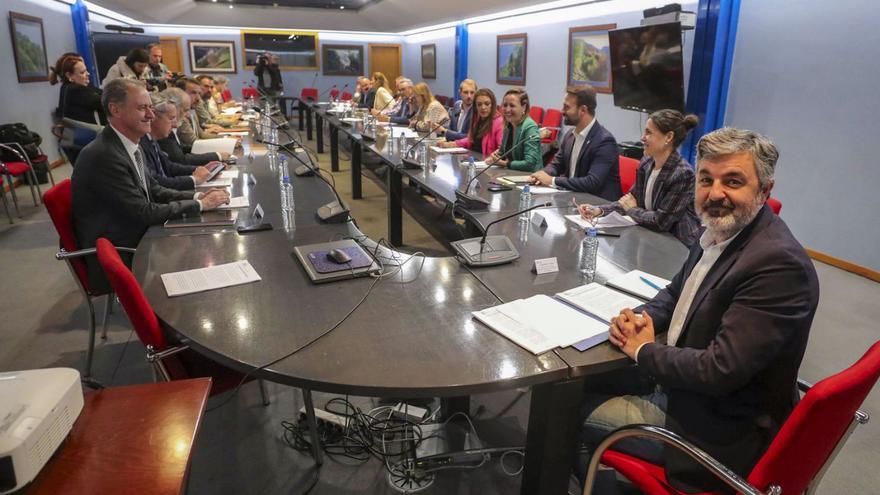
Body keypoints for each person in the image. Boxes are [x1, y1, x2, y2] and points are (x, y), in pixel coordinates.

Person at [578, 127, 820, 493]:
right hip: (685, 389)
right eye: (706, 179)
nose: (715, 193)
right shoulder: (720, 232)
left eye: (733, 181)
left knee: (565, 409)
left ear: (765, 190)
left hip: (714, 431)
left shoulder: (778, 266)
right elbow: (676, 292)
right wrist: (640, 318)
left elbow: (718, 370)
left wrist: (643, 350)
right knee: (578, 383)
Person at [72, 79, 229, 292]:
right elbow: (143, 211)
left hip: (138, 233)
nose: (151, 115)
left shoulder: (127, 144)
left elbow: (153, 189)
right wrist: (200, 206)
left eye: (150, 108)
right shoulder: (104, 155)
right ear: (115, 109)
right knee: (207, 253)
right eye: (142, 108)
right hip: (123, 251)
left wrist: (196, 199)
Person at [578, 109, 702, 246]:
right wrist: (598, 210)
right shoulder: (646, 163)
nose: (642, 138)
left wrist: (632, 210)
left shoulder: (683, 174)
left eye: (648, 133)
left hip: (676, 244)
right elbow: (628, 201)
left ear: (668, 137)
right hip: (648, 237)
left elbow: (661, 222)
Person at [529, 86, 620, 199]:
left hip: (597, 205)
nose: (562, 111)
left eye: (566, 107)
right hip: (572, 199)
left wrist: (552, 180)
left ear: (582, 110)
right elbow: (556, 165)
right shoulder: (570, 135)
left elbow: (592, 182)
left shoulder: (605, 141)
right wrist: (542, 174)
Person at [140, 92, 213, 191]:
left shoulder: (151, 139)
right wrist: (194, 180)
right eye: (171, 118)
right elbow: (157, 183)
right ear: (153, 117)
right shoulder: (140, 143)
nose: (175, 125)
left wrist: (200, 169)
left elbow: (168, 166)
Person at [158, 87, 229, 166]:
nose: (188, 115)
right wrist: (216, 155)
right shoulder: (163, 129)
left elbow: (183, 150)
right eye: (185, 110)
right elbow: (180, 159)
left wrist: (222, 147)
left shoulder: (175, 122)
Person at [486, 88, 541, 172]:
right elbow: (502, 152)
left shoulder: (530, 127)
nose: (507, 110)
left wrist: (505, 164)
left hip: (529, 177)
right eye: (505, 105)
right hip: (511, 175)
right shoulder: (508, 125)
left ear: (524, 107)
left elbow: (530, 164)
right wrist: (495, 157)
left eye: (512, 106)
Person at [439, 88, 503, 156]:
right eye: (479, 104)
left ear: (493, 105)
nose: (483, 107)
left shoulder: (499, 122)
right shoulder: (477, 119)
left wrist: (493, 158)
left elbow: (501, 150)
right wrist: (453, 144)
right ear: (475, 106)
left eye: (487, 104)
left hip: (487, 163)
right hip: (473, 160)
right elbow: (470, 140)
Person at [51, 53, 105, 125]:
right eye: (82, 72)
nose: (88, 74)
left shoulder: (67, 86)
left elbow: (102, 93)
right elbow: (104, 101)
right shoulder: (74, 89)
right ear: (69, 75)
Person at [176, 77, 223, 142]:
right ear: (180, 93)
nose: (198, 98)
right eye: (193, 93)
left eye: (199, 93)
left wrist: (226, 138)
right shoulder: (179, 114)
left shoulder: (192, 111)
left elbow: (201, 134)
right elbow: (193, 143)